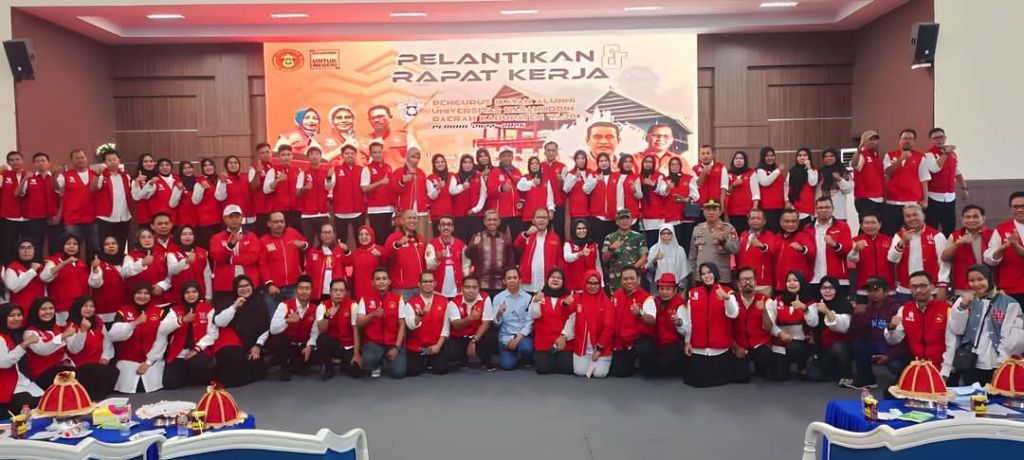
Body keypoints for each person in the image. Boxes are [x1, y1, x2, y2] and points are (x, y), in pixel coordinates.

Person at [946, 265, 1024, 385]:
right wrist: (962, 307)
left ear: (990, 279)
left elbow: (1013, 339)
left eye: (980, 279)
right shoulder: (964, 301)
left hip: (997, 364)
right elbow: (957, 330)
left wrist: (1002, 363)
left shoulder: (1009, 303)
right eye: (971, 280)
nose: (976, 284)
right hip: (970, 363)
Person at [108, 284, 177, 393]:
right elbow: (113, 336)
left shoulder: (160, 312)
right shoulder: (123, 311)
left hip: (152, 362)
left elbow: (162, 340)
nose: (142, 296)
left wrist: (148, 362)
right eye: (139, 293)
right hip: (127, 362)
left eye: (146, 293)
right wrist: (134, 324)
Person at [679, 263, 739, 387]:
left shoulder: (727, 292)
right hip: (698, 348)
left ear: (715, 273)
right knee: (696, 381)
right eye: (703, 274)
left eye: (709, 272)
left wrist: (727, 299)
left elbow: (733, 314)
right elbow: (689, 320)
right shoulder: (693, 293)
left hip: (720, 349)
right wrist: (687, 342)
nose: (707, 276)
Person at [884, 271, 950, 377]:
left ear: (932, 287)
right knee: (894, 370)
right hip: (916, 364)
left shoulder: (946, 309)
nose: (918, 290)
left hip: (941, 366)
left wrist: (945, 372)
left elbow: (952, 344)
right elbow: (893, 340)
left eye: (923, 286)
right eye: (914, 287)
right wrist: (891, 328)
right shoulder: (905, 309)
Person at [848, 277, 906, 389]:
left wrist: (889, 356)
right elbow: (858, 333)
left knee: (895, 366)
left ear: (886, 292)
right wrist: (857, 316)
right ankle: (867, 380)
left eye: (876, 290)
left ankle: (904, 381)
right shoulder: (867, 307)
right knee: (858, 346)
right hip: (875, 348)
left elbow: (903, 339)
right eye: (869, 291)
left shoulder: (896, 308)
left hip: (892, 351)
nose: (872, 294)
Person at [210, 276, 268, 387]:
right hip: (231, 342)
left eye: (247, 285)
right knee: (233, 364)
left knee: (257, 366)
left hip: (252, 344)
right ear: (235, 289)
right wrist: (234, 306)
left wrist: (258, 346)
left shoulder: (259, 301)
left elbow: (265, 327)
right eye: (240, 286)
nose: (244, 289)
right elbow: (219, 322)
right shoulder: (228, 301)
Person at [258, 275, 319, 381]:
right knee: (278, 339)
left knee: (303, 367)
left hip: (302, 345)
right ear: (296, 290)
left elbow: (315, 332)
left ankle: (294, 363)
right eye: (301, 288)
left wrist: (310, 346)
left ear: (311, 291)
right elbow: (273, 329)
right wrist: (287, 321)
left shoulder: (316, 309)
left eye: (307, 288)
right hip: (286, 345)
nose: (304, 291)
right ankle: (284, 366)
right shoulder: (284, 305)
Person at [356, 268, 410, 379]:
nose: (381, 281)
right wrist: (372, 315)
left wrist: (397, 347)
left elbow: (402, 325)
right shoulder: (364, 299)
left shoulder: (398, 299)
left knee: (398, 373)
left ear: (389, 281)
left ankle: (388, 358)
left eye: (384, 279)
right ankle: (377, 363)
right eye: (378, 279)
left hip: (393, 343)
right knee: (369, 360)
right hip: (374, 343)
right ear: (373, 282)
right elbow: (359, 323)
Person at [162, 282, 217, 390]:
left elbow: (213, 333)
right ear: (183, 295)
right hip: (179, 352)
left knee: (199, 364)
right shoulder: (175, 310)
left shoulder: (208, 308)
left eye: (194, 292)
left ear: (199, 293)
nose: (191, 295)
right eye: (187, 292)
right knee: (170, 383)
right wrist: (182, 320)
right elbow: (162, 329)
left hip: (200, 351)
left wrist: (197, 349)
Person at [765, 271, 820, 380]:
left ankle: (803, 364)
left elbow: (814, 322)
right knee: (779, 376)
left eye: (795, 280)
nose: (791, 283)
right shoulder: (777, 300)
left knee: (795, 348)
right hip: (780, 343)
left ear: (802, 283)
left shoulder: (810, 302)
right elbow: (770, 323)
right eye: (789, 281)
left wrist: (805, 309)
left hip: (801, 343)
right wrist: (780, 334)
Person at [887, 204, 949, 300]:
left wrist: (942, 285)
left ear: (923, 216)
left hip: (931, 289)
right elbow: (892, 259)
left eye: (915, 215)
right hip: (905, 289)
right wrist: (902, 242)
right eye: (908, 216)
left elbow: (944, 263)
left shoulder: (937, 236)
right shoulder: (899, 236)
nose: (912, 218)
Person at [64, 296, 118, 399]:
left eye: (92, 306)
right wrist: (82, 331)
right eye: (85, 306)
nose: (89, 309)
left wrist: (105, 357)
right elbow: (74, 349)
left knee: (114, 370)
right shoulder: (71, 325)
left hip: (98, 362)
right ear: (78, 307)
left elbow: (107, 341)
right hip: (81, 365)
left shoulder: (98, 321)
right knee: (96, 372)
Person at [608, 267, 657, 377]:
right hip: (620, 341)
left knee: (644, 349)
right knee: (619, 372)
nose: (629, 281)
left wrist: (640, 313)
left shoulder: (647, 298)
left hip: (638, 340)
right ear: (621, 281)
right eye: (625, 279)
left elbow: (652, 320)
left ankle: (642, 363)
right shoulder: (615, 296)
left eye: (632, 278)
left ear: (638, 279)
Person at [565, 270, 614, 378]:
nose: (593, 286)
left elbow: (609, 326)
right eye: (590, 283)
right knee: (580, 372)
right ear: (585, 283)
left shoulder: (606, 302)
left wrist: (599, 349)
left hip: (600, 348)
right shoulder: (577, 298)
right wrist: (565, 304)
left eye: (596, 283)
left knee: (599, 374)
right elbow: (565, 314)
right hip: (582, 348)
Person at [209, 205, 262, 306]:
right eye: (231, 217)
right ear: (225, 219)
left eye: (237, 217)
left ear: (242, 218)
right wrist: (231, 245)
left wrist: (230, 260)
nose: (234, 220)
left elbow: (253, 257)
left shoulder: (251, 236)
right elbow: (218, 257)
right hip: (225, 285)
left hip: (249, 284)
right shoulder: (216, 238)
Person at [882, 129, 932, 235]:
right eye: (905, 138)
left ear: (914, 141)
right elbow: (887, 172)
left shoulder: (920, 157)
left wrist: (925, 200)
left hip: (913, 202)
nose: (907, 141)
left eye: (910, 139)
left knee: (914, 233)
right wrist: (901, 159)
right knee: (891, 233)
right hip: (893, 201)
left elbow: (924, 179)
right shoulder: (890, 155)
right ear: (900, 140)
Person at [259, 212, 308, 318]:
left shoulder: (292, 232)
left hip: (293, 286)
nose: (279, 224)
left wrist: (303, 245)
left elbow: (307, 245)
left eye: (282, 221)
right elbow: (262, 264)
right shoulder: (263, 241)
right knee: (274, 318)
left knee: (296, 318)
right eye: (276, 222)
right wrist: (269, 285)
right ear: (269, 224)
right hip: (274, 288)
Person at [807, 277, 854, 387]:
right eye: (824, 288)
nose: (827, 291)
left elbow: (844, 328)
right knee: (814, 376)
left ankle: (846, 374)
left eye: (831, 288)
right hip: (823, 349)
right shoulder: (817, 304)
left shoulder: (844, 304)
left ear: (837, 289)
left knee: (839, 347)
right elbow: (812, 323)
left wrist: (827, 311)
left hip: (842, 347)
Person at [444, 275, 498, 370]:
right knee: (450, 353)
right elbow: (456, 325)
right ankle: (463, 359)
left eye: (474, 287)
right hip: (460, 336)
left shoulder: (485, 298)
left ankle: (484, 359)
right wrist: (469, 318)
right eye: (467, 287)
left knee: (491, 336)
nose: (471, 290)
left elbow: (486, 323)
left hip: (478, 337)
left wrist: (474, 341)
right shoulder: (453, 302)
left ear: (479, 288)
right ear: (462, 289)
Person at [528, 269, 574, 375]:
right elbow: (534, 315)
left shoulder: (568, 298)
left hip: (563, 343)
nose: (555, 280)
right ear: (547, 279)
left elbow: (572, 320)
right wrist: (536, 302)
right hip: (543, 343)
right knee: (543, 368)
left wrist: (564, 337)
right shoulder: (540, 296)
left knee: (566, 369)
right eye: (553, 277)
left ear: (563, 281)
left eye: (559, 278)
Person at [404, 272, 451, 376]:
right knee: (413, 371)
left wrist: (438, 345)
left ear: (435, 283)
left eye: (430, 281)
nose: (428, 284)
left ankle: (430, 360)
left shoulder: (444, 301)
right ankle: (425, 359)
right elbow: (410, 326)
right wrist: (420, 315)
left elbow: (446, 327)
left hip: (436, 344)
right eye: (425, 281)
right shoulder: (411, 303)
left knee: (441, 370)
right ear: (419, 284)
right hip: (417, 346)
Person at [731, 267, 774, 381]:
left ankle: (761, 368)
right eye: (744, 279)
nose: (747, 282)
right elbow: (726, 328)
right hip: (739, 346)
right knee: (740, 378)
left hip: (759, 346)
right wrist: (736, 347)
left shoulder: (766, 300)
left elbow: (769, 327)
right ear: (738, 283)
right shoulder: (732, 301)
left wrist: (764, 311)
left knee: (765, 356)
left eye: (750, 279)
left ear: (755, 281)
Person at [0, 303, 43, 414]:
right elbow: (4, 363)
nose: (17, 318)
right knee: (27, 405)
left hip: (25, 382)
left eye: (19, 315)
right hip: (8, 386)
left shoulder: (16, 335)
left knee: (48, 400)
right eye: (12, 315)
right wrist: (25, 344)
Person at [315, 278, 362, 379]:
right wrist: (327, 316)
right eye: (335, 290)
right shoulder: (322, 306)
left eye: (341, 290)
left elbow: (356, 330)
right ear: (330, 292)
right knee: (322, 339)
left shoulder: (353, 305)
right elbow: (321, 330)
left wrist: (356, 354)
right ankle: (328, 367)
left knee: (356, 372)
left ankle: (344, 363)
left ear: (345, 292)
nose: (338, 293)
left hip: (348, 346)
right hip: (333, 345)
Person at [942, 205, 993, 297]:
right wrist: (957, 243)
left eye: (975, 217)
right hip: (964, 288)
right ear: (962, 219)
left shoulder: (992, 235)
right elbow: (944, 258)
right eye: (967, 217)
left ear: (983, 218)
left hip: (988, 286)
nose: (971, 220)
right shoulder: (955, 236)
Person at [924, 128, 968, 235]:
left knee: (950, 227)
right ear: (930, 140)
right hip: (933, 197)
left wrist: (964, 187)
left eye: (941, 137)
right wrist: (946, 154)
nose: (939, 140)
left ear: (945, 138)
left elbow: (957, 171)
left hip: (950, 197)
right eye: (935, 138)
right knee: (932, 228)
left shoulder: (952, 154)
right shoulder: (928, 154)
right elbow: (935, 169)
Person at [55, 149, 98, 258]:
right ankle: (72, 267)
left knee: (94, 248)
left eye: (82, 157)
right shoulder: (65, 175)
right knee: (72, 249)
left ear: (86, 158)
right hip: (72, 219)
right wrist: (54, 175)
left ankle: (93, 268)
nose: (80, 160)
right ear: (72, 160)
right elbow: (56, 188)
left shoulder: (95, 175)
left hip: (92, 218)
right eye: (77, 158)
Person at [807, 197, 852, 298]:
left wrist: (835, 245)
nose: (824, 210)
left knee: (839, 307)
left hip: (838, 279)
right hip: (814, 279)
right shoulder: (808, 228)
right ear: (815, 209)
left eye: (827, 207)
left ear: (833, 208)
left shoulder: (843, 226)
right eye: (820, 207)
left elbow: (848, 251)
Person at [39, 234, 90, 325]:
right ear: (61, 245)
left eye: (75, 244)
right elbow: (44, 277)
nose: (72, 246)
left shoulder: (81, 263)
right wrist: (65, 263)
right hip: (62, 309)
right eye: (68, 244)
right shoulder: (53, 261)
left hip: (81, 308)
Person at [23, 298, 73, 389]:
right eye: (43, 309)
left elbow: (62, 350)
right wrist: (62, 336)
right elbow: (42, 350)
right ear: (36, 311)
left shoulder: (55, 327)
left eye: (51, 308)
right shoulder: (30, 332)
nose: (48, 312)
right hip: (42, 374)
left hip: (60, 369)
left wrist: (66, 360)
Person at [91, 149, 134, 254]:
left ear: (119, 160)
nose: (112, 162)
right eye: (109, 160)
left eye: (114, 159)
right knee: (106, 246)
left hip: (124, 217)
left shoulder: (126, 176)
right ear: (105, 162)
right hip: (106, 218)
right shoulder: (101, 176)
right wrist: (97, 175)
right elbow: (93, 188)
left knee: (121, 245)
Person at [985, 191, 1024, 304]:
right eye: (1015, 207)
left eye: (1023, 206)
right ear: (1010, 209)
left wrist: (1015, 246)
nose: (1020, 210)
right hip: (1011, 289)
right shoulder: (1001, 229)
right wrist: (1003, 248)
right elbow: (989, 259)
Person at [492, 267, 534, 371]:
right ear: (504, 281)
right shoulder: (498, 298)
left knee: (526, 348)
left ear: (520, 280)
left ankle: (521, 355)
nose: (512, 280)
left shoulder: (528, 298)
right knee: (507, 366)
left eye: (515, 278)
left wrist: (518, 338)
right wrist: (499, 314)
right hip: (505, 337)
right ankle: (512, 354)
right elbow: (496, 324)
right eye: (509, 278)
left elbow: (530, 322)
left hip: (522, 337)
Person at [688, 200, 739, 284]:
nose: (711, 212)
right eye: (708, 209)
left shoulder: (728, 228)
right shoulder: (697, 229)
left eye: (714, 209)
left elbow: (735, 249)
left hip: (721, 277)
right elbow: (692, 256)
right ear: (703, 212)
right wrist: (693, 275)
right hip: (701, 277)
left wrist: (723, 241)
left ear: (720, 212)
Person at [465, 210, 514, 299]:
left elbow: (510, 261)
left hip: (501, 284)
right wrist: (474, 245)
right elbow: (468, 255)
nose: (492, 222)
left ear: (499, 222)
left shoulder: (505, 238)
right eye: (489, 220)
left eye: (494, 220)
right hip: (481, 283)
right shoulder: (478, 236)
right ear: (484, 222)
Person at [848, 213, 895, 303]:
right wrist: (856, 249)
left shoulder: (890, 240)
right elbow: (851, 259)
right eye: (866, 223)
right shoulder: (855, 241)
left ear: (880, 224)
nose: (870, 226)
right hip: (864, 290)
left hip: (887, 289)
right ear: (861, 225)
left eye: (873, 222)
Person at [22, 152, 61, 262]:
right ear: (34, 164)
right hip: (35, 217)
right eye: (37, 161)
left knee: (55, 244)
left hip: (53, 217)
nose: (40, 163)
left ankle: (54, 266)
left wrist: (58, 214)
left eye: (43, 161)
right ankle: (36, 267)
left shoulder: (57, 177)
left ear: (49, 163)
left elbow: (60, 193)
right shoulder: (29, 179)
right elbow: (20, 194)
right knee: (36, 244)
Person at [514, 208, 563, 294]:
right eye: (538, 217)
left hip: (546, 282)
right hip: (527, 283)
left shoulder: (555, 238)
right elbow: (517, 245)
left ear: (548, 220)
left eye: (544, 217)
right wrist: (527, 234)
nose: (541, 220)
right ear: (533, 220)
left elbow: (559, 260)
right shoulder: (527, 235)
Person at [648, 273, 686, 377]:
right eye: (662, 288)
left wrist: (679, 323)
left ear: (675, 290)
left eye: (668, 289)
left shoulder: (681, 304)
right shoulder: (653, 301)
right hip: (657, 341)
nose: (664, 292)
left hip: (674, 342)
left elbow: (686, 329)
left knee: (665, 363)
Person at [329, 144, 365, 249]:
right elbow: (328, 187)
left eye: (352, 153)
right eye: (347, 153)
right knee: (341, 242)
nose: (350, 155)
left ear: (355, 155)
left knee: (361, 241)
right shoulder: (335, 170)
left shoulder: (362, 170)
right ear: (342, 155)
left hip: (358, 211)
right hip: (340, 212)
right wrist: (328, 177)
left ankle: (361, 258)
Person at [384, 210, 427, 299]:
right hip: (401, 289)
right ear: (402, 221)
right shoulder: (394, 237)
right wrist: (397, 244)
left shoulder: (420, 238)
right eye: (409, 218)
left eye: (414, 218)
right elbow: (385, 255)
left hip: (419, 287)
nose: (412, 220)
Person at [122, 227, 172, 303]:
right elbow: (124, 273)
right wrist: (142, 263)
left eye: (150, 237)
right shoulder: (130, 256)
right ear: (138, 240)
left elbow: (170, 274)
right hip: (139, 301)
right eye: (143, 237)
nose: (147, 240)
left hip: (161, 299)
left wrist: (162, 286)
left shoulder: (162, 254)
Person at [603, 209, 648, 291]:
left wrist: (631, 269)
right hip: (616, 280)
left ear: (631, 221)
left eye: (627, 218)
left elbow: (644, 257)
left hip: (633, 278)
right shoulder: (609, 237)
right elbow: (604, 260)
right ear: (617, 221)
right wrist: (611, 249)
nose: (625, 221)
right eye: (621, 219)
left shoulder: (639, 237)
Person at [391, 147, 430, 239]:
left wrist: (426, 206)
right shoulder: (399, 172)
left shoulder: (421, 173)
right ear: (407, 157)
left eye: (418, 157)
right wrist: (402, 182)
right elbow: (394, 190)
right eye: (413, 157)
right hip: (405, 209)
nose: (416, 160)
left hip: (420, 211)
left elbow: (425, 191)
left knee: (420, 237)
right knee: (404, 237)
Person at [736, 209, 777, 296]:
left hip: (762, 284)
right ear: (748, 221)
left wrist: (762, 246)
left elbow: (773, 251)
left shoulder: (770, 235)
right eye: (752, 218)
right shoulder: (743, 234)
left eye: (758, 218)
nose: (755, 221)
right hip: (744, 283)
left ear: (764, 221)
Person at [425, 216, 468, 298]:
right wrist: (438, 259)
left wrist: (465, 285)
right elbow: (429, 267)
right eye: (443, 224)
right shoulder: (432, 245)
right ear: (439, 227)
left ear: (453, 228)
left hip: (457, 292)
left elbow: (466, 267)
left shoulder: (461, 245)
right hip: (438, 292)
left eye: (449, 225)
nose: (446, 227)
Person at [297, 144, 332, 246]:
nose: (315, 156)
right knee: (308, 244)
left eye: (317, 154)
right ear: (308, 157)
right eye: (312, 154)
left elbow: (329, 188)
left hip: (323, 214)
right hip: (307, 215)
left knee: (326, 244)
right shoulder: (303, 174)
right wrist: (304, 188)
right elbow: (297, 193)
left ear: (320, 157)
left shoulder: (326, 173)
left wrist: (329, 178)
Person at [89, 236, 130, 323]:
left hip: (125, 311)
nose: (111, 246)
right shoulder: (98, 263)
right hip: (105, 313)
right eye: (107, 244)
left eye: (113, 243)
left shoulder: (126, 261)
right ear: (102, 248)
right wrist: (95, 269)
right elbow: (94, 284)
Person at [663, 156, 700, 252]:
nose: (675, 166)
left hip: (686, 217)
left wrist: (684, 200)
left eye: (677, 164)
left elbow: (696, 196)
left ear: (680, 166)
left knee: (685, 245)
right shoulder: (665, 180)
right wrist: (668, 187)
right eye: (672, 164)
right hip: (670, 217)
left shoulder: (689, 178)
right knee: (672, 245)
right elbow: (662, 194)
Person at [774, 209, 814, 294]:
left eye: (793, 221)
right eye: (787, 221)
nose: (790, 224)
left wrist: (802, 249)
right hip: (780, 285)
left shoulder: (803, 237)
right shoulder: (776, 238)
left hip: (798, 285)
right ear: (781, 222)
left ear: (798, 222)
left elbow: (812, 252)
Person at [361, 142, 394, 245]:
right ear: (370, 154)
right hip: (375, 210)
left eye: (379, 152)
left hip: (389, 209)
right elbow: (364, 188)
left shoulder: (388, 167)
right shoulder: (367, 169)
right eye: (375, 152)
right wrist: (380, 182)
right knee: (379, 240)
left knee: (389, 240)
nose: (378, 154)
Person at [305, 223, 348, 303]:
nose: (327, 235)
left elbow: (349, 262)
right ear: (320, 235)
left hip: (337, 292)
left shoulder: (340, 250)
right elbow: (308, 272)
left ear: (334, 234)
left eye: (329, 232)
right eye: (324, 232)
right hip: (318, 294)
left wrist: (347, 251)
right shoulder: (313, 252)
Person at [168, 226, 212, 303]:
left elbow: (207, 275)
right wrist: (186, 261)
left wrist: (209, 295)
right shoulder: (172, 252)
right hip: (179, 295)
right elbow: (172, 271)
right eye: (184, 234)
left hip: (199, 294)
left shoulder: (202, 252)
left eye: (190, 234)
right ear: (178, 236)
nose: (188, 237)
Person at [450, 154, 487, 243]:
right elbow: (452, 191)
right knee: (461, 242)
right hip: (460, 216)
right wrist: (462, 187)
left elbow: (484, 193)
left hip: (476, 215)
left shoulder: (478, 176)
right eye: (465, 162)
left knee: (476, 243)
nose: (467, 165)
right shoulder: (455, 176)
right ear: (461, 164)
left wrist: (476, 209)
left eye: (470, 162)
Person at [263, 145, 302, 230]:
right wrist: (277, 180)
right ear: (279, 157)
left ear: (292, 156)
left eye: (288, 154)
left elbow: (301, 190)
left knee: (297, 233)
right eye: (283, 155)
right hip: (280, 210)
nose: (286, 157)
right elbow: (266, 190)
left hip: (296, 209)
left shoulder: (298, 170)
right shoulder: (273, 170)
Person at [486, 147, 523, 234]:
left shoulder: (517, 171)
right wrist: (501, 188)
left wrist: (521, 201)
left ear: (512, 157)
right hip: (501, 214)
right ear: (500, 157)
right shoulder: (495, 172)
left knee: (517, 238)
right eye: (504, 156)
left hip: (516, 213)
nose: (507, 158)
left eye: (509, 156)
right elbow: (490, 192)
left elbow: (522, 190)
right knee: (500, 238)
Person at [0, 151, 28, 264]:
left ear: (22, 160)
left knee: (26, 248)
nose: (15, 162)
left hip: (27, 218)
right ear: (8, 162)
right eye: (11, 160)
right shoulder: (4, 175)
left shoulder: (30, 175)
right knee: (7, 248)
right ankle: (8, 270)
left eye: (17, 159)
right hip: (8, 218)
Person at [215, 155, 255, 229]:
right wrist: (223, 183)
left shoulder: (245, 177)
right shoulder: (223, 179)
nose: (233, 165)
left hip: (250, 219)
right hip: (233, 221)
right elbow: (220, 197)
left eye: (235, 162)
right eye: (230, 163)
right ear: (226, 165)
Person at [366, 104, 411, 170]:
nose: (376, 120)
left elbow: (415, 159)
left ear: (390, 117)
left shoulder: (404, 136)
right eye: (373, 118)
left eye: (380, 116)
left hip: (400, 175)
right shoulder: (363, 141)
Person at [725, 151, 760, 236]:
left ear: (745, 161)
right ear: (733, 160)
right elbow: (725, 192)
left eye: (741, 158)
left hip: (747, 212)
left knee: (746, 236)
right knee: (733, 236)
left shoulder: (751, 173)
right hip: (731, 212)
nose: (738, 160)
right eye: (736, 158)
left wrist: (754, 211)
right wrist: (733, 185)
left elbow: (756, 194)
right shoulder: (727, 173)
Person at [646, 224, 690, 290]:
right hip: (658, 286)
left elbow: (684, 271)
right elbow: (649, 271)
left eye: (668, 233)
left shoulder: (680, 250)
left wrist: (682, 289)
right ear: (659, 235)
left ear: (673, 234)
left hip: (677, 286)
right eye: (663, 234)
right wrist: (655, 260)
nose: (666, 236)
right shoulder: (654, 249)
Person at [852, 130, 884, 219]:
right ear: (864, 141)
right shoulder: (862, 155)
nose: (873, 142)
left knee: (877, 224)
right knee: (867, 224)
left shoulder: (877, 157)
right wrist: (859, 150)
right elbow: (854, 164)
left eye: (875, 139)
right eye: (870, 139)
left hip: (879, 197)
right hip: (865, 198)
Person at [4, 239, 44, 311]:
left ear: (34, 250)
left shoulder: (40, 267)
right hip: (19, 312)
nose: (26, 251)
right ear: (17, 251)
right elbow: (14, 288)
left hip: (39, 311)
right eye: (22, 248)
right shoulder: (11, 268)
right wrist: (32, 271)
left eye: (29, 248)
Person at [564, 219, 603, 292]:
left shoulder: (594, 245)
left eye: (584, 228)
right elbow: (567, 258)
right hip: (574, 286)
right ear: (574, 230)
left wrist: (601, 283)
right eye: (578, 228)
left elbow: (598, 265)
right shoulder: (568, 244)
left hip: (591, 286)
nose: (581, 231)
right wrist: (579, 254)